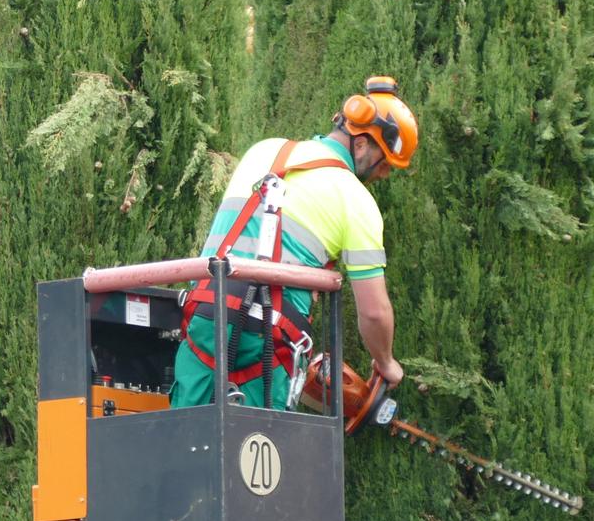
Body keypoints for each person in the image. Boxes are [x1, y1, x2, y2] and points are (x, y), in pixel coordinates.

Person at [171, 76, 417, 409]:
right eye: (385, 163)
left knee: (184, 440)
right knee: (254, 452)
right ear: (360, 145)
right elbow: (374, 312)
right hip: (267, 339)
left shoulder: (264, 150)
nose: (384, 174)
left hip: (204, 315)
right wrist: (386, 362)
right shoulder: (355, 200)